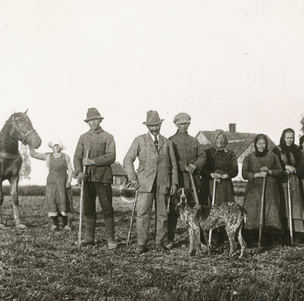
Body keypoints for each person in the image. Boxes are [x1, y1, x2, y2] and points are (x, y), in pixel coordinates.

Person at [124, 110, 179, 253]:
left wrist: (174, 183)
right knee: (142, 213)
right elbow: (127, 160)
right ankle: (141, 244)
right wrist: (133, 178)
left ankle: (159, 242)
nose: (154, 128)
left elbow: (173, 165)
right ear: (147, 126)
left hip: (163, 183)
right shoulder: (139, 140)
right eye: (151, 126)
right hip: (144, 183)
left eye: (157, 125)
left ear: (160, 124)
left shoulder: (167, 143)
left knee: (162, 214)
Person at [73, 108, 117, 249]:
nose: (93, 122)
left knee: (107, 209)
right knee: (88, 209)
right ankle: (89, 238)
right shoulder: (83, 137)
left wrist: (93, 161)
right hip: (87, 178)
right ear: (88, 122)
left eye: (96, 119)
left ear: (100, 120)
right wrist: (79, 172)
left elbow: (111, 156)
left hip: (103, 178)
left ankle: (110, 239)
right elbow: (77, 157)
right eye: (90, 120)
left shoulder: (108, 137)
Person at [167, 112, 207, 249]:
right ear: (176, 124)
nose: (184, 126)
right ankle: (170, 239)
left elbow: (202, 155)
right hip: (178, 181)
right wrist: (182, 165)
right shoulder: (171, 141)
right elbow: (168, 159)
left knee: (196, 211)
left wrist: (195, 165)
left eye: (186, 123)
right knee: (173, 211)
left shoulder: (194, 141)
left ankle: (199, 240)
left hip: (193, 183)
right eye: (181, 124)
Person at [241, 134, 283, 246]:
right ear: (255, 144)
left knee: (269, 212)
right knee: (254, 212)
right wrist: (256, 175)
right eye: (259, 144)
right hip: (254, 190)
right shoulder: (249, 157)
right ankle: (254, 238)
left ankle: (269, 238)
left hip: (269, 189)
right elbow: (244, 173)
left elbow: (280, 170)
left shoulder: (272, 156)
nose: (261, 146)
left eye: (263, 143)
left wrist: (269, 171)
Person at [30, 139, 74, 231]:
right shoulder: (48, 156)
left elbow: (70, 169)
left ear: (60, 147)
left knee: (63, 199)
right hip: (51, 182)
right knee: (52, 200)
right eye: (55, 146)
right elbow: (35, 155)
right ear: (52, 147)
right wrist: (30, 145)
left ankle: (65, 224)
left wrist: (69, 181)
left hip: (63, 181)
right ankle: (55, 224)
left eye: (58, 146)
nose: (56, 147)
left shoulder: (65, 156)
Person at [272, 128, 304, 242]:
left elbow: (303, 167)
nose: (289, 140)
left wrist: (295, 170)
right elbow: (274, 166)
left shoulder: (297, 150)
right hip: (282, 182)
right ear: (283, 137)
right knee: (283, 205)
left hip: (294, 182)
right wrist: (285, 168)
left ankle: (296, 233)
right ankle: (283, 233)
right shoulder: (276, 150)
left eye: (291, 137)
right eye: (287, 137)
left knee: (296, 206)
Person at [202, 130, 239, 206]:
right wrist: (211, 174)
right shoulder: (207, 153)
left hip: (225, 186)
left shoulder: (230, 153)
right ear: (214, 139)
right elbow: (202, 169)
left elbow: (235, 169)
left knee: (225, 208)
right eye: (218, 138)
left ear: (225, 140)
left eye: (222, 138)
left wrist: (225, 175)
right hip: (210, 183)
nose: (220, 141)